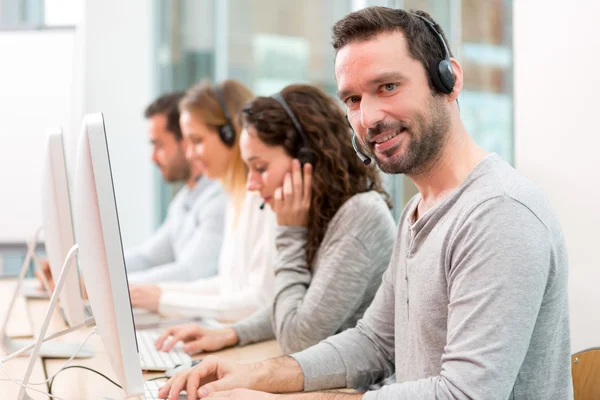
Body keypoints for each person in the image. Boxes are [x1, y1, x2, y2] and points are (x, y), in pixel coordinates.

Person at [159, 7, 572, 400]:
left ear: (449, 79)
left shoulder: (499, 213)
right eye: (353, 99)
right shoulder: (419, 212)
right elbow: (373, 342)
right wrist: (255, 374)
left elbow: (464, 394)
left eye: (387, 87)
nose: (369, 117)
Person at [153, 84, 396, 356]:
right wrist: (233, 333)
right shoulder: (327, 214)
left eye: (261, 168)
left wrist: (290, 231)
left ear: (308, 158)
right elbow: (294, 307)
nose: (252, 185)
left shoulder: (360, 218)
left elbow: (297, 337)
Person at [35, 92, 227, 289]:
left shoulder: (219, 200)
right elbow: (147, 257)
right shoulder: (185, 200)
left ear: (184, 141)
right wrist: (76, 271)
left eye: (158, 145)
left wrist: (100, 286)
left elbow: (191, 273)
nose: (153, 158)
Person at [130, 80, 278, 323]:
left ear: (230, 133)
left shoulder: (263, 199)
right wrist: (158, 294)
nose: (190, 154)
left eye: (197, 141)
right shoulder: (235, 198)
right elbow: (230, 285)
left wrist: (162, 298)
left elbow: (258, 301)